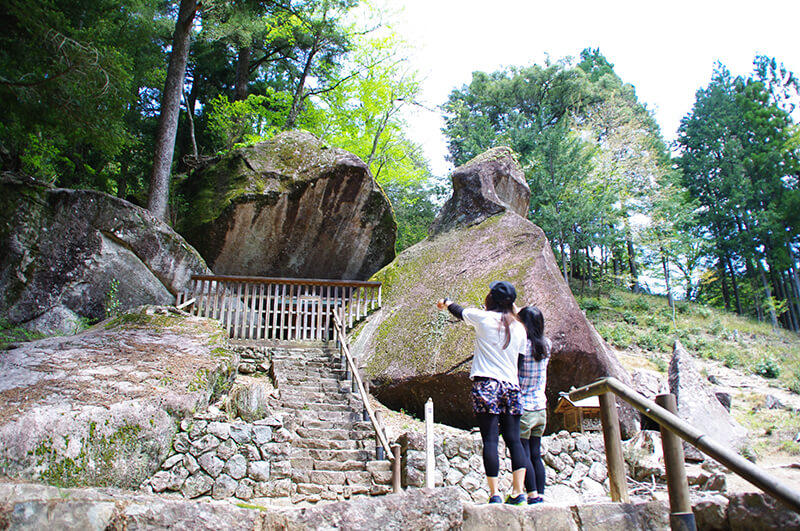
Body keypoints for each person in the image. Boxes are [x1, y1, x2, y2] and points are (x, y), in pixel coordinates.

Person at [436, 281, 530, 505]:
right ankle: (518, 492)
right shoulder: (520, 328)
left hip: (487, 384)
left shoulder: (483, 318)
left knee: (489, 439)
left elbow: (457, 310)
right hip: (512, 386)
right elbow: (520, 362)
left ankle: (494, 493)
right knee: (514, 440)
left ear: (492, 298)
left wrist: (446, 302)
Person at [516, 305, 552, 504]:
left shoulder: (521, 346)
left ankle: (532, 495)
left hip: (523, 408)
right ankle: (541, 493)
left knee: (524, 453)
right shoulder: (547, 345)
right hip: (540, 408)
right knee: (536, 454)